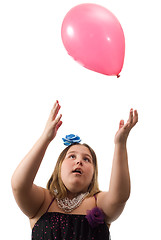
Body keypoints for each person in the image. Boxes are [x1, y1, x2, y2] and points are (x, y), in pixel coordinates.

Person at [11, 100, 138, 240]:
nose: (79, 161)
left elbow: (120, 196)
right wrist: (45, 138)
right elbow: (19, 185)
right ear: (59, 167)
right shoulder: (43, 201)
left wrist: (120, 144)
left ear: (93, 173)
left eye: (87, 159)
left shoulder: (99, 202)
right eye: (72, 156)